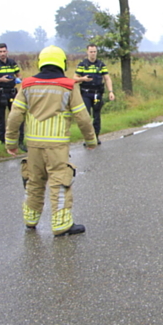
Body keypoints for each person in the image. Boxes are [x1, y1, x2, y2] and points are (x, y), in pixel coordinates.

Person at [6, 46, 97, 236]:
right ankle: (62, 225)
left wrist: (11, 142)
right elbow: (82, 117)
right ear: (61, 63)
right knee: (60, 181)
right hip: (57, 145)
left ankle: (31, 220)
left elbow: (15, 115)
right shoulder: (69, 85)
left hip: (33, 145)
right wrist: (90, 140)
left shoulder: (27, 84)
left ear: (42, 62)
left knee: (34, 181)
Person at [74, 44, 115, 145]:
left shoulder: (101, 65)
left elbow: (107, 78)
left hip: (97, 93)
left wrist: (111, 92)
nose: (93, 54)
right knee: (86, 116)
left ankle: (96, 137)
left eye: (94, 52)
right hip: (86, 93)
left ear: (97, 52)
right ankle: (88, 138)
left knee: (97, 116)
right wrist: (83, 79)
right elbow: (74, 78)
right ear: (87, 52)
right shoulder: (82, 64)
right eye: (91, 52)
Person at [0, 43, 24, 149]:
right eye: (0, 51)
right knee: (1, 118)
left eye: (4, 51)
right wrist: (1, 80)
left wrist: (18, 79)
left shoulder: (12, 62)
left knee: (17, 116)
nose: (2, 53)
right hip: (0, 93)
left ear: (7, 51)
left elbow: (19, 74)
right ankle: (3, 141)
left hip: (12, 91)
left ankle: (20, 140)